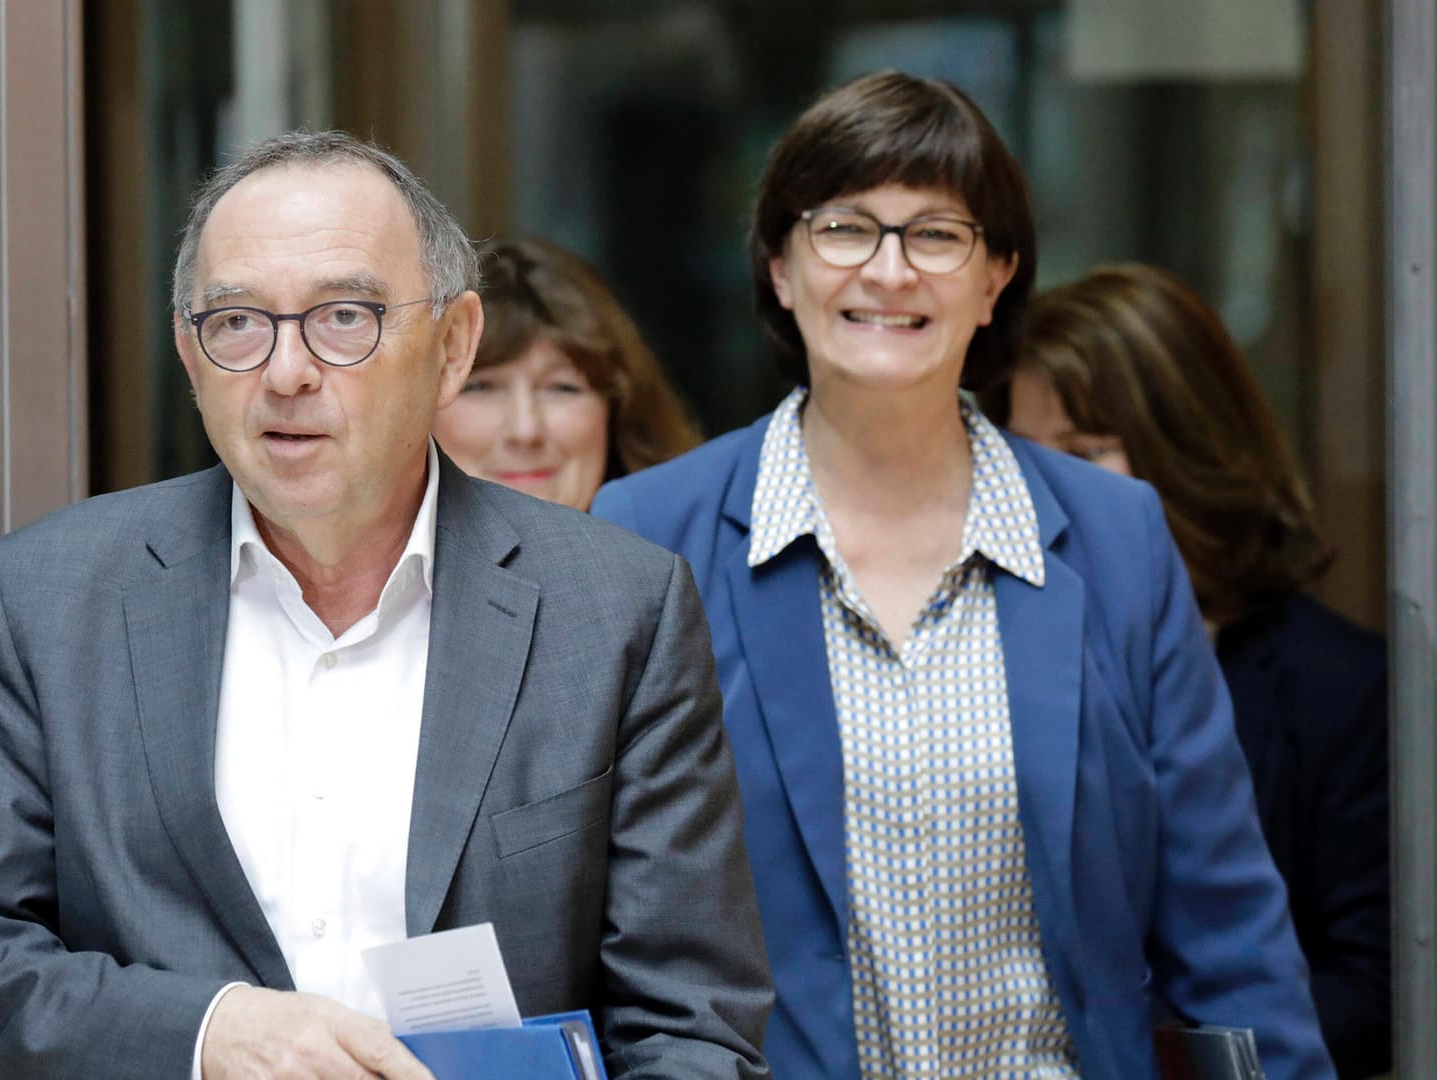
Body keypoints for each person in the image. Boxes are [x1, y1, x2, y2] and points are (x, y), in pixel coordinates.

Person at [0, 132, 773, 1080]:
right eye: (239, 322)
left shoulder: (617, 609)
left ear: (453, 346)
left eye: (344, 317)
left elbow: (692, 1025)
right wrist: (207, 1036)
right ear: (189, 352)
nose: (287, 371)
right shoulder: (42, 602)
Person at [593, 71, 1333, 1079]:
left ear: (996, 279)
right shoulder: (650, 533)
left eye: (937, 234)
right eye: (844, 228)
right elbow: (607, 923)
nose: (889, 272)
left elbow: (1227, 923)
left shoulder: (1115, 538)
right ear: (778, 266)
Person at [982, 261, 1389, 1078]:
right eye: (1025, 459)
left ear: (1189, 448)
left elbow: (1379, 980)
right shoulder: (990, 657)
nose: (1045, 493)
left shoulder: (1339, 686)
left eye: (1086, 452)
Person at [432, 235, 700, 510]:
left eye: (561, 388)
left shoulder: (682, 548)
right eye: (480, 387)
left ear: (619, 409)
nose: (525, 431)